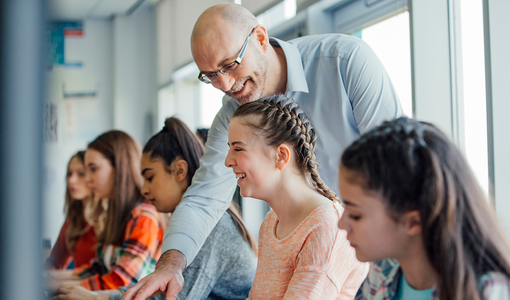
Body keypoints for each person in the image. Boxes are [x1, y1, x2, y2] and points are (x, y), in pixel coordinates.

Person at [123, 3, 402, 299]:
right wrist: (170, 266)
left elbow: (397, 166)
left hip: (380, 254)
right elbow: (204, 197)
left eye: (230, 65)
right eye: (210, 75)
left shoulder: (345, 61)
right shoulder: (271, 224)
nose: (225, 84)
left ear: (259, 37)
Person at [52, 117, 257, 300]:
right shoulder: (187, 223)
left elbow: (171, 296)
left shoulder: (210, 227)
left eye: (150, 177)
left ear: (179, 171)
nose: (145, 188)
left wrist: (95, 298)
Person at [337, 117, 510, 299]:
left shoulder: (489, 292)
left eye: (355, 215)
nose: (341, 224)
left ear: (413, 222)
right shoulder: (382, 273)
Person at [228, 96, 368, 299]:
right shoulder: (271, 223)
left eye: (238, 148)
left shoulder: (326, 227)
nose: (227, 161)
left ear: (282, 155)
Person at [49, 130, 164, 291]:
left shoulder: (143, 217)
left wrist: (61, 287)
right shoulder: (116, 213)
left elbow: (121, 281)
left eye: (93, 169)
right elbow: (98, 269)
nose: (88, 179)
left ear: (119, 168)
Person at [46, 151, 96, 270]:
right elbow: (54, 263)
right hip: (75, 285)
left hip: (98, 287)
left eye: (81, 174)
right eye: (69, 174)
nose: (72, 180)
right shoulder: (74, 218)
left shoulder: (107, 219)